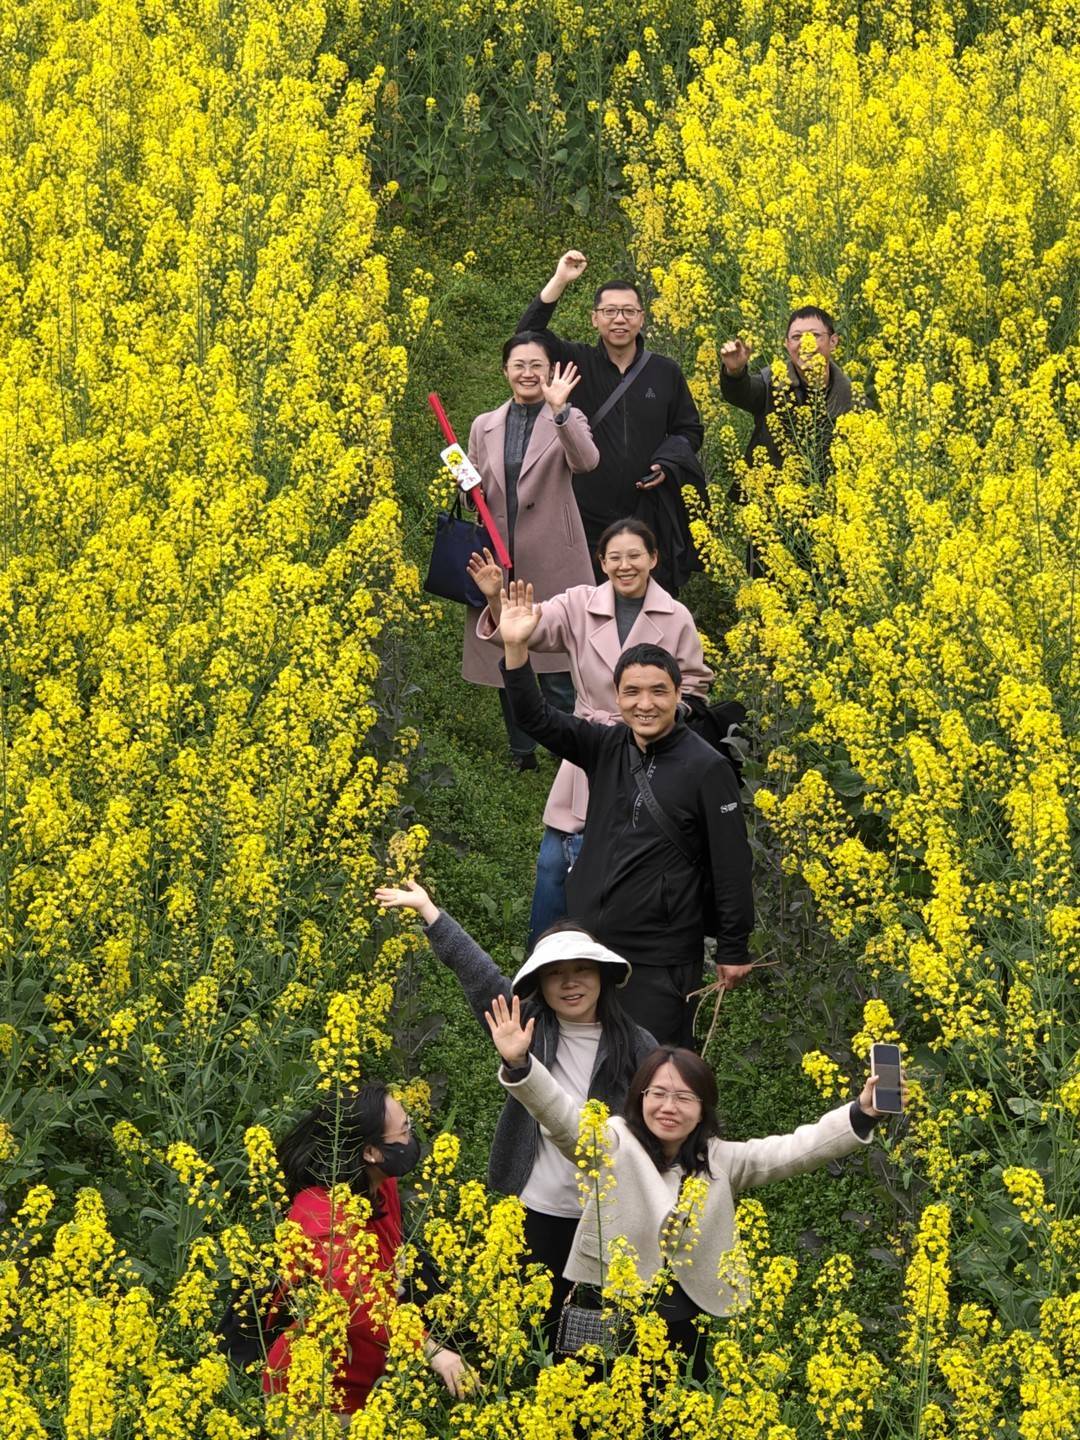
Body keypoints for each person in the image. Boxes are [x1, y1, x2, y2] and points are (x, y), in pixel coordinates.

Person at [486, 993, 899, 1376]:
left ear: (703, 1109)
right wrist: (522, 1065)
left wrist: (861, 1113)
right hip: (612, 1304)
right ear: (640, 1097)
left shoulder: (719, 1159)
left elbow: (793, 1151)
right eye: (658, 1094)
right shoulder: (613, 1141)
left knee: (674, 1406)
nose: (669, 1107)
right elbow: (560, 1116)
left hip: (684, 1310)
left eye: (684, 1098)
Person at [374, 878, 656, 1341]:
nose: (570, 983)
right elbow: (478, 974)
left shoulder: (637, 1045)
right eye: (554, 974)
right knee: (530, 1323)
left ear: (602, 975)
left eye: (581, 970)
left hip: (603, 1213)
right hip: (537, 1205)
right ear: (539, 984)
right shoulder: (525, 1025)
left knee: (589, 1328)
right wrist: (429, 910)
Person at [498, 583, 754, 1048]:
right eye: (632, 692)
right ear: (616, 698)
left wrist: (733, 946)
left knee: (654, 1065)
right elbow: (536, 719)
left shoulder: (707, 768)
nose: (645, 704)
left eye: (659, 691)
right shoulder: (605, 745)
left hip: (660, 955)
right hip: (592, 947)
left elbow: (731, 864)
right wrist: (516, 650)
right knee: (590, 1061)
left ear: (678, 694)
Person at [466, 517, 713, 944]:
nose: (625, 566)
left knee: (626, 864)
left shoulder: (676, 617)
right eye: (614, 557)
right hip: (590, 745)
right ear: (601, 562)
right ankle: (543, 959)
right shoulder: (579, 604)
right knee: (553, 862)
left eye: (635, 556)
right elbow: (526, 627)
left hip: (650, 752)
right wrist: (494, 599)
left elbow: (694, 683)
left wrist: (661, 718)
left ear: (653, 559)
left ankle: (609, 956)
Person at [262, 1084, 468, 1419]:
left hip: (369, 1385)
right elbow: (356, 1301)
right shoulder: (319, 1214)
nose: (411, 1137)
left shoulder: (379, 1184)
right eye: (404, 1130)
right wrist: (432, 1351)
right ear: (371, 1152)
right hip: (315, 1396)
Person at [517, 250, 705, 593]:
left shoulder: (665, 372)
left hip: (647, 514)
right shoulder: (575, 362)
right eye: (609, 311)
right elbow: (528, 335)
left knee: (647, 603)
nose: (620, 319)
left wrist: (667, 463)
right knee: (586, 605)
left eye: (629, 311)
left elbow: (688, 430)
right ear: (594, 319)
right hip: (584, 515)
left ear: (642, 318)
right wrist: (560, 279)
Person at [463, 331, 599, 772]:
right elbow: (475, 483)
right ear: (505, 370)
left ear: (550, 371)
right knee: (507, 648)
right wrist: (466, 489)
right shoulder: (484, 424)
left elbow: (586, 462)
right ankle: (521, 751)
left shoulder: (568, 417)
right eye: (518, 365)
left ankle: (568, 751)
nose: (527, 373)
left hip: (553, 552)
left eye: (536, 365)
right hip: (501, 555)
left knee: (557, 659)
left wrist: (560, 412)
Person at [719, 307, 863, 471]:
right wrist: (735, 373)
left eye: (815, 335)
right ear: (787, 344)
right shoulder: (771, 383)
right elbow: (742, 393)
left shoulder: (854, 400)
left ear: (833, 342)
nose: (805, 343)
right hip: (768, 486)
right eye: (796, 337)